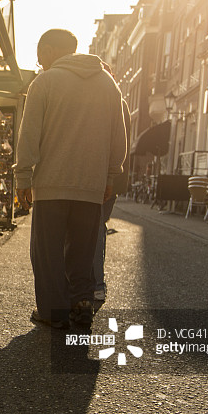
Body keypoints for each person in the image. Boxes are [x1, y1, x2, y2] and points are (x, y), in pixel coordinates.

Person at [15, 29, 127, 329]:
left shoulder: (45, 82)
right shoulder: (108, 84)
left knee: (47, 253)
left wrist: (23, 176)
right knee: (82, 250)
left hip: (51, 185)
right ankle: (81, 300)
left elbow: (29, 136)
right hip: (91, 186)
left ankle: (53, 312)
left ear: (51, 51)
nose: (40, 65)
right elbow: (119, 135)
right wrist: (110, 174)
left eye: (41, 58)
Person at [93, 97, 131, 305]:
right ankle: (96, 284)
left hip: (103, 179)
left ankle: (96, 284)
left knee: (95, 228)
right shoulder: (120, 103)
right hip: (114, 180)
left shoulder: (108, 102)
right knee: (98, 227)